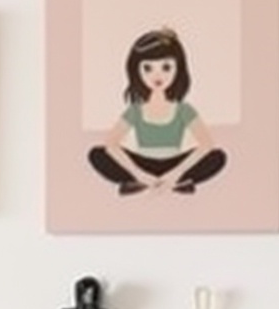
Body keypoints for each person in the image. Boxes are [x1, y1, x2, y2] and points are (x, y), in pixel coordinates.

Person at [89, 29, 228, 196]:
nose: (157, 75)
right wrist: (140, 174)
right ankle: (142, 182)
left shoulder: (183, 110)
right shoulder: (136, 110)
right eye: (148, 68)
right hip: (143, 163)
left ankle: (174, 182)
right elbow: (111, 144)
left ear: (178, 69)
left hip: (175, 162)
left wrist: (175, 173)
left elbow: (207, 144)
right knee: (97, 154)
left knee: (217, 157)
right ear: (136, 71)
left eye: (166, 67)